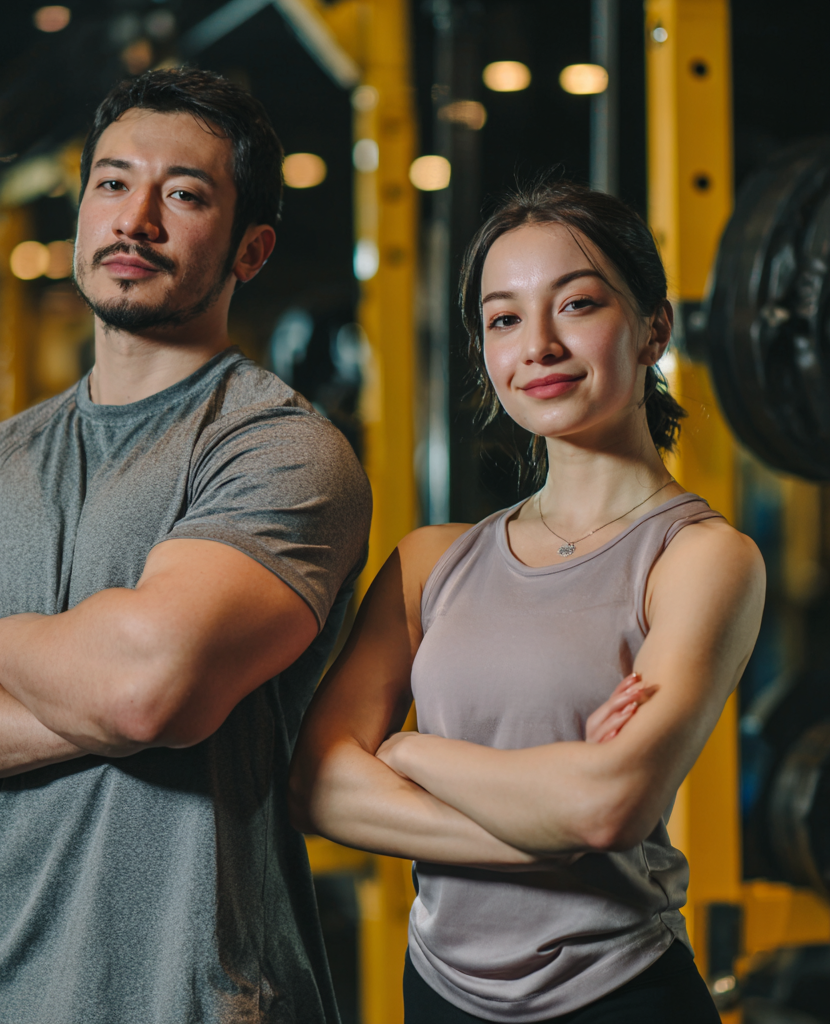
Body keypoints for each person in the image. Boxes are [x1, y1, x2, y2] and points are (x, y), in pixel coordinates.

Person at [0, 69, 371, 1024]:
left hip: (208, 999)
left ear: (252, 250)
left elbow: (144, 686)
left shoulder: (279, 447)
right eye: (112, 183)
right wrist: (117, 700)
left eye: (184, 194)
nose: (136, 221)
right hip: (9, 994)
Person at [289, 181, 765, 1023]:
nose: (538, 345)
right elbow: (318, 784)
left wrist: (408, 754)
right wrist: (553, 822)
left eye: (576, 305)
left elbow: (608, 804)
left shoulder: (699, 559)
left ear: (654, 327)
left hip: (620, 995)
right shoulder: (430, 562)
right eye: (504, 319)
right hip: (437, 993)